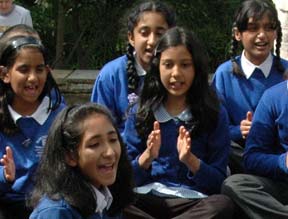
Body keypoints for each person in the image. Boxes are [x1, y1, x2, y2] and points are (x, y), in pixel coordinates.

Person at [123, 26, 234, 219]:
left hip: (192, 203)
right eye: (168, 64)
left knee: (223, 205)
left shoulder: (213, 113)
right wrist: (147, 157)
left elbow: (218, 182)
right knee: (115, 202)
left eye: (185, 65)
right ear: (157, 67)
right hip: (146, 199)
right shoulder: (141, 112)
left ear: (196, 68)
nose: (176, 73)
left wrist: (190, 160)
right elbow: (124, 178)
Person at [212, 0, 288, 174]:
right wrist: (239, 130)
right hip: (240, 154)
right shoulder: (224, 74)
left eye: (269, 28)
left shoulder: (286, 72)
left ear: (276, 33)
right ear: (237, 34)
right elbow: (212, 129)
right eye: (253, 28)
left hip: (280, 159)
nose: (262, 35)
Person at [29, 103, 134, 219]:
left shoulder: (107, 198)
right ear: (70, 156)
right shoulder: (56, 212)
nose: (110, 153)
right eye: (94, 145)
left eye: (113, 140)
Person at [0, 35, 64, 219]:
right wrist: (5, 176)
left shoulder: (61, 115)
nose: (33, 77)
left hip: (51, 205)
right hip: (8, 204)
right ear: (5, 74)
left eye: (39, 69)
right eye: (23, 69)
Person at [90, 0, 176, 133]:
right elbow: (97, 130)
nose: (152, 41)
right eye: (144, 32)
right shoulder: (111, 76)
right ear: (131, 37)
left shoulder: (179, 75)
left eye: (160, 33)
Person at [222, 79, 288, 219]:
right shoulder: (273, 97)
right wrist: (283, 162)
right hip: (282, 183)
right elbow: (252, 158)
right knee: (235, 185)